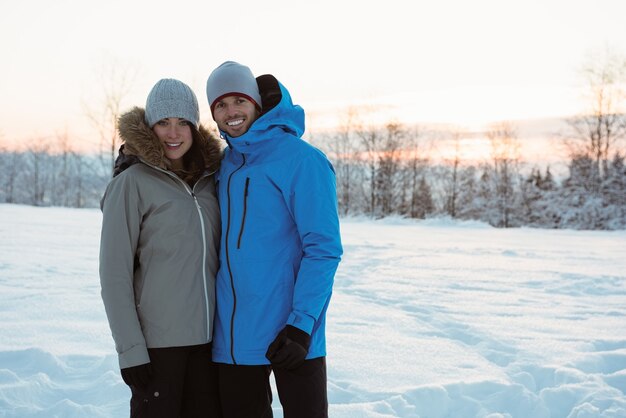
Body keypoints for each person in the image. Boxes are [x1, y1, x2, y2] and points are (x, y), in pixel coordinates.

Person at [205, 61, 343, 418]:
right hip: (234, 338)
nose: (231, 112)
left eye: (239, 100)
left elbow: (323, 249)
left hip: (292, 334)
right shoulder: (223, 166)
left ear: (256, 104)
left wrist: (302, 324)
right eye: (220, 105)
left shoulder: (302, 161)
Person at [99, 78, 223, 417]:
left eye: (183, 122)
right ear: (149, 126)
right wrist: (131, 350)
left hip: (210, 345)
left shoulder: (211, 181)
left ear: (195, 128)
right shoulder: (132, 183)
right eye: (163, 122)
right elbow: (114, 275)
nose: (173, 133)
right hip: (157, 349)